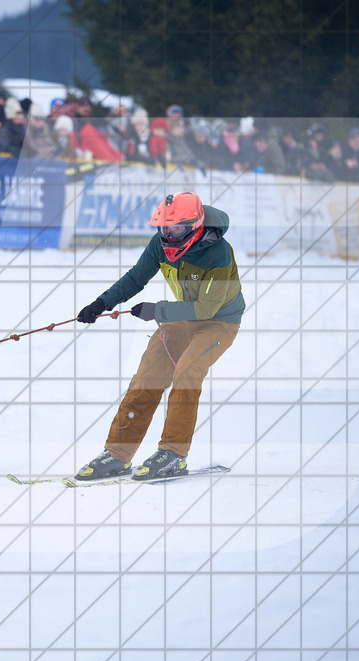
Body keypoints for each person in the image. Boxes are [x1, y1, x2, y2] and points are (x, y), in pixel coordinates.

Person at [74, 191, 245, 481]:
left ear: (194, 226)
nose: (169, 234)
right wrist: (102, 303)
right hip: (181, 317)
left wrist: (157, 310)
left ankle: (173, 454)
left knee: (188, 371)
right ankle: (117, 454)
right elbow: (136, 277)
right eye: (164, 227)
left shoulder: (219, 253)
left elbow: (206, 308)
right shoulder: (161, 244)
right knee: (147, 377)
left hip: (218, 322)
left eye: (176, 228)